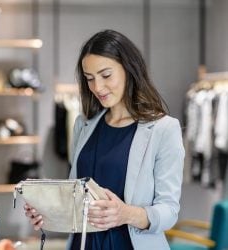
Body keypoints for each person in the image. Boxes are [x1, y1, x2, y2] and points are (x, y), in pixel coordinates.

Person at [24, 29, 185, 250]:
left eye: (106, 75)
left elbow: (169, 212)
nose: (97, 87)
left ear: (129, 69)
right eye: (90, 79)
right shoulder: (84, 124)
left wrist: (126, 214)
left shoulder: (164, 129)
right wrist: (48, 211)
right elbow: (78, 196)